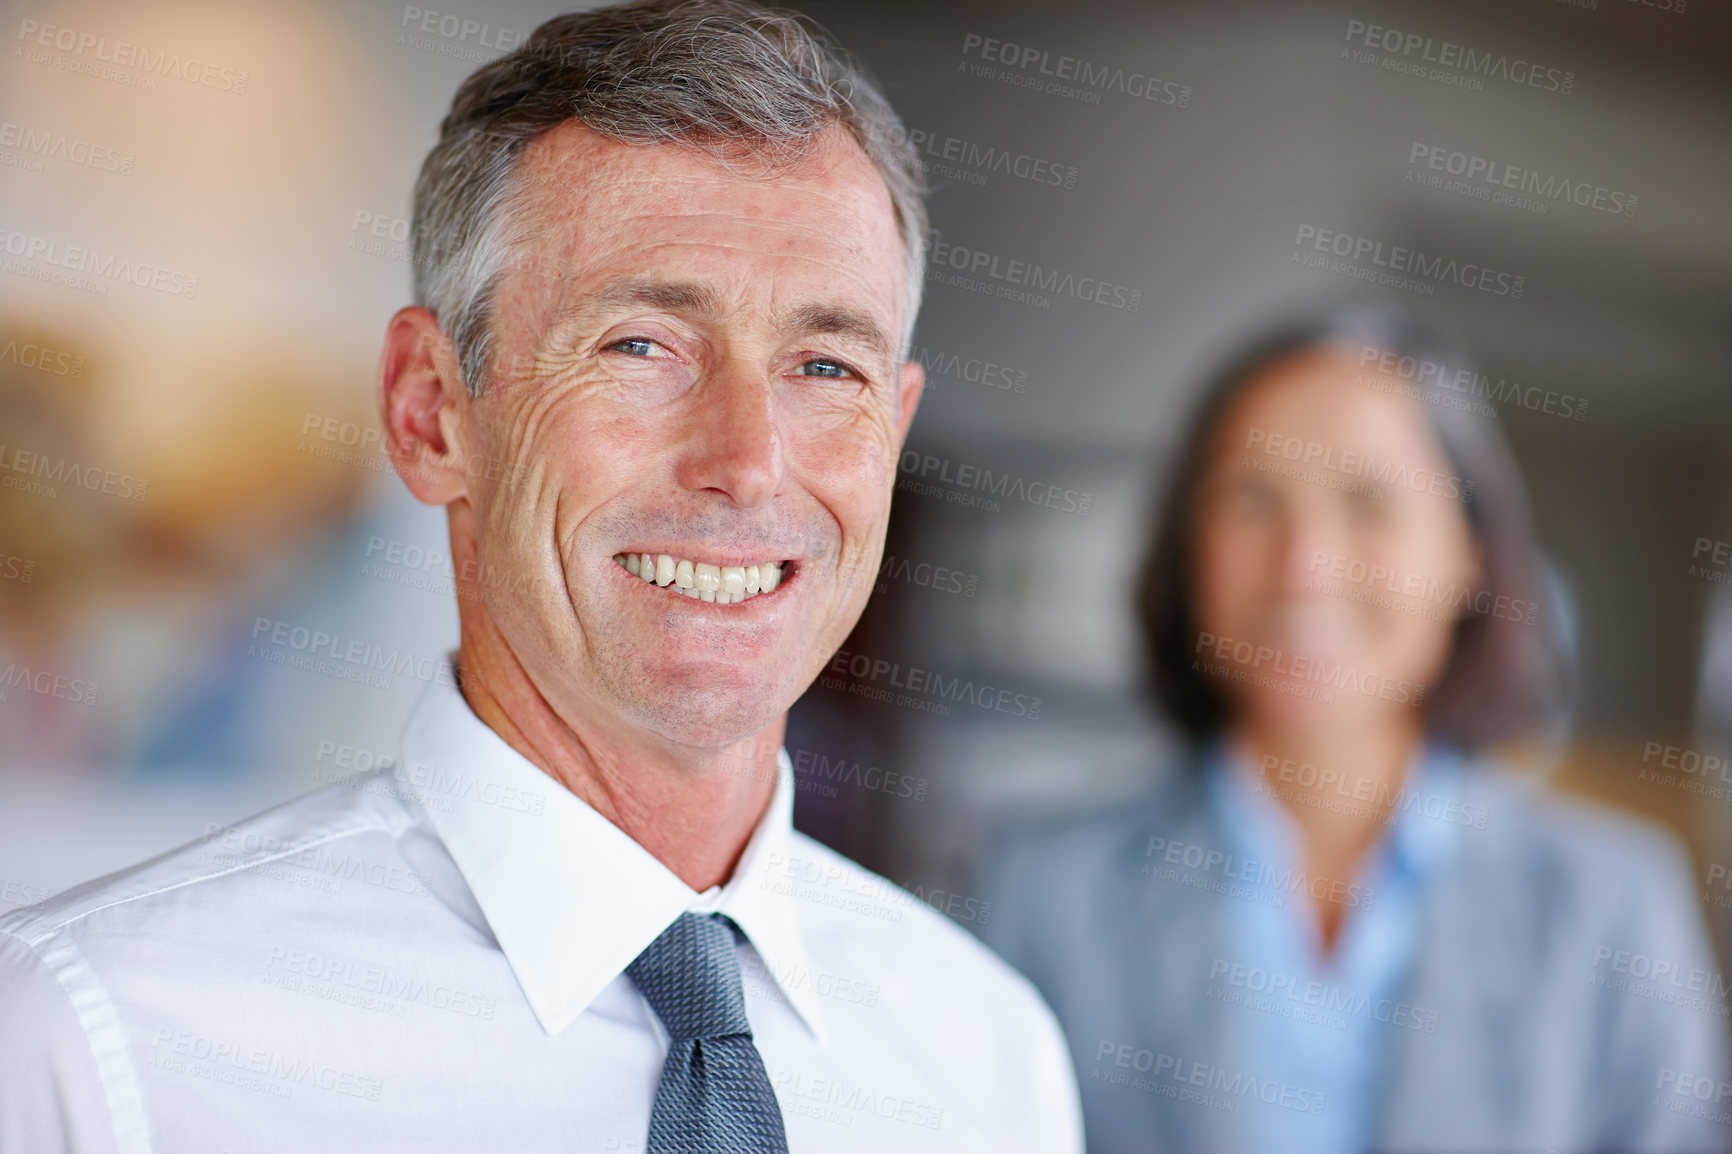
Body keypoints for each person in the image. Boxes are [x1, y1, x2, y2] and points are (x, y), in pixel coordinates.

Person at [0, 3, 1083, 1151]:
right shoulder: (91, 1044)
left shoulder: (989, 1056)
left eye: (824, 364)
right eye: (640, 344)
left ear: (894, 427)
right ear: (429, 411)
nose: (749, 461)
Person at [980, 301, 1730, 1153]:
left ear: (1467, 552)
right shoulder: (1039, 889)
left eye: (1368, 500)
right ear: (1192, 551)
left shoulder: (1617, 906)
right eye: (1253, 498)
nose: (1305, 565)